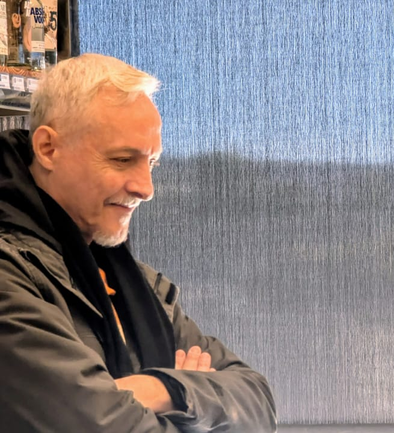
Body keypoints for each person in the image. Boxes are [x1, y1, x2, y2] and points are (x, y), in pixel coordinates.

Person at [0, 54, 277, 432]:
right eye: (122, 159)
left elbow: (258, 404)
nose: (146, 189)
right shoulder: (11, 275)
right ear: (48, 148)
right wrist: (196, 404)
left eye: (152, 163)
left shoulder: (137, 283)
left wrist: (163, 388)